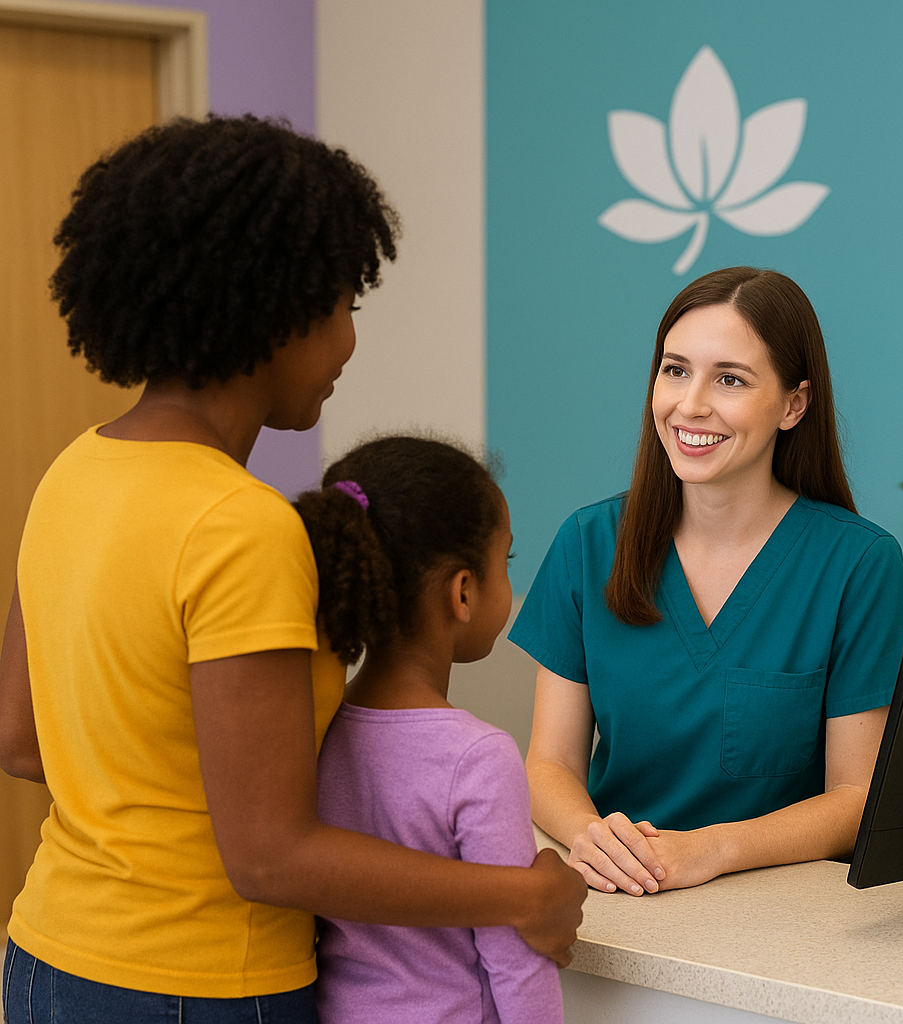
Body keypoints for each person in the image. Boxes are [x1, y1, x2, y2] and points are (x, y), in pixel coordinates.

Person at [0, 115, 583, 1024]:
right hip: (198, 988)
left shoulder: (69, 476)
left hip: (46, 960)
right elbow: (270, 857)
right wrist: (518, 896)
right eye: (346, 304)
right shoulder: (242, 528)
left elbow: (21, 739)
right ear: (276, 308)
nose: (350, 341)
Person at [510, 266, 903, 897]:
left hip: (776, 915)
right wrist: (589, 833)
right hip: (617, 899)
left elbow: (857, 796)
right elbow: (549, 763)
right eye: (675, 370)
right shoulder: (588, 543)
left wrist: (714, 849)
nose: (691, 404)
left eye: (729, 379)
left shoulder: (860, 565)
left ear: (794, 404)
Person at [293, 435, 563, 1024]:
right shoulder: (478, 757)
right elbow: (517, 954)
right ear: (463, 592)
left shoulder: (317, 730)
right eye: (506, 562)